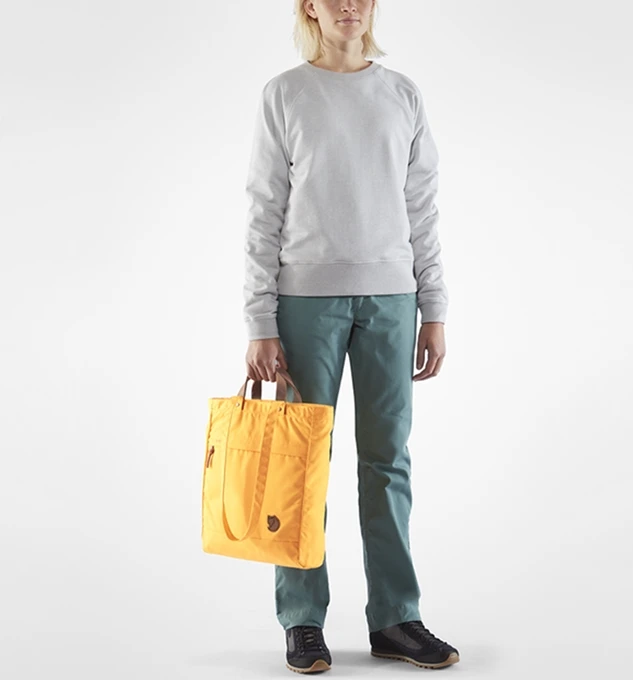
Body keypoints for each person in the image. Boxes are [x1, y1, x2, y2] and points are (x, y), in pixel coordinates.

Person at [242, 0, 460, 673]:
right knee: (300, 461)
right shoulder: (285, 94)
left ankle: (395, 618)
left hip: (392, 298)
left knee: (388, 461)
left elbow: (422, 205)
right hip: (305, 301)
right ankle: (303, 619)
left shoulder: (402, 94)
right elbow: (263, 207)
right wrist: (259, 320)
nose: (347, 5)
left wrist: (433, 307)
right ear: (309, 6)